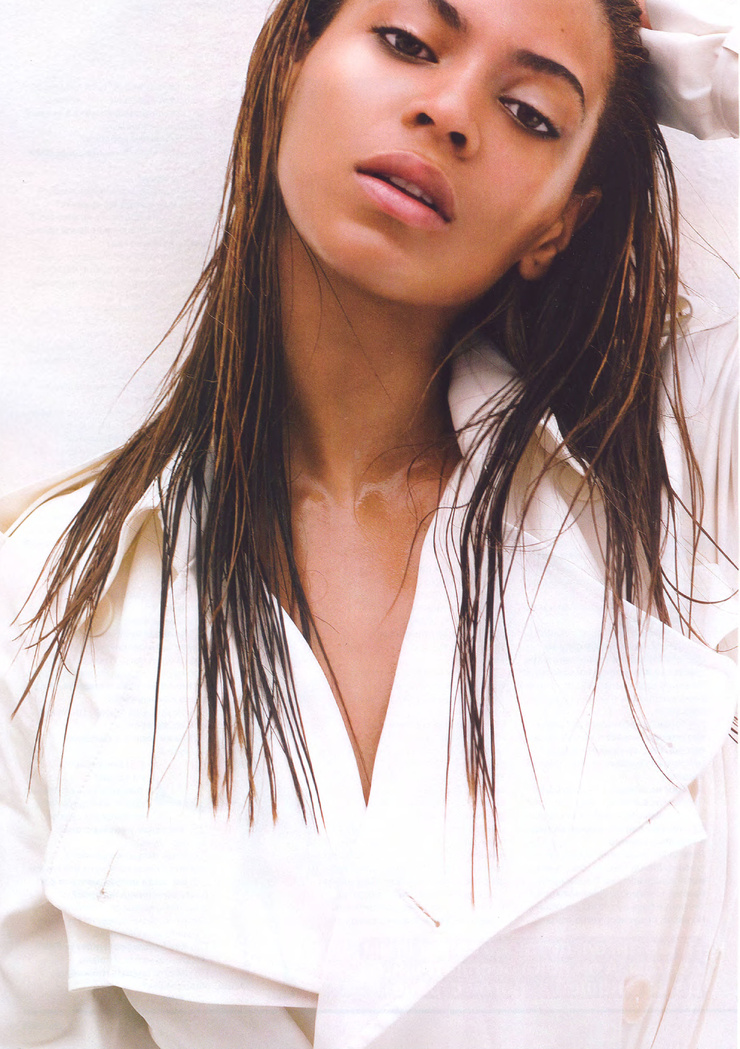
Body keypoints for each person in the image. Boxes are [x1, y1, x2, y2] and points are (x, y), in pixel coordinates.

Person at [0, 0, 737, 1046]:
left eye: (529, 112)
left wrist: (693, 62)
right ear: (291, 63)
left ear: (557, 225)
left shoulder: (681, 472)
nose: (450, 112)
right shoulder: (51, 599)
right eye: (406, 43)